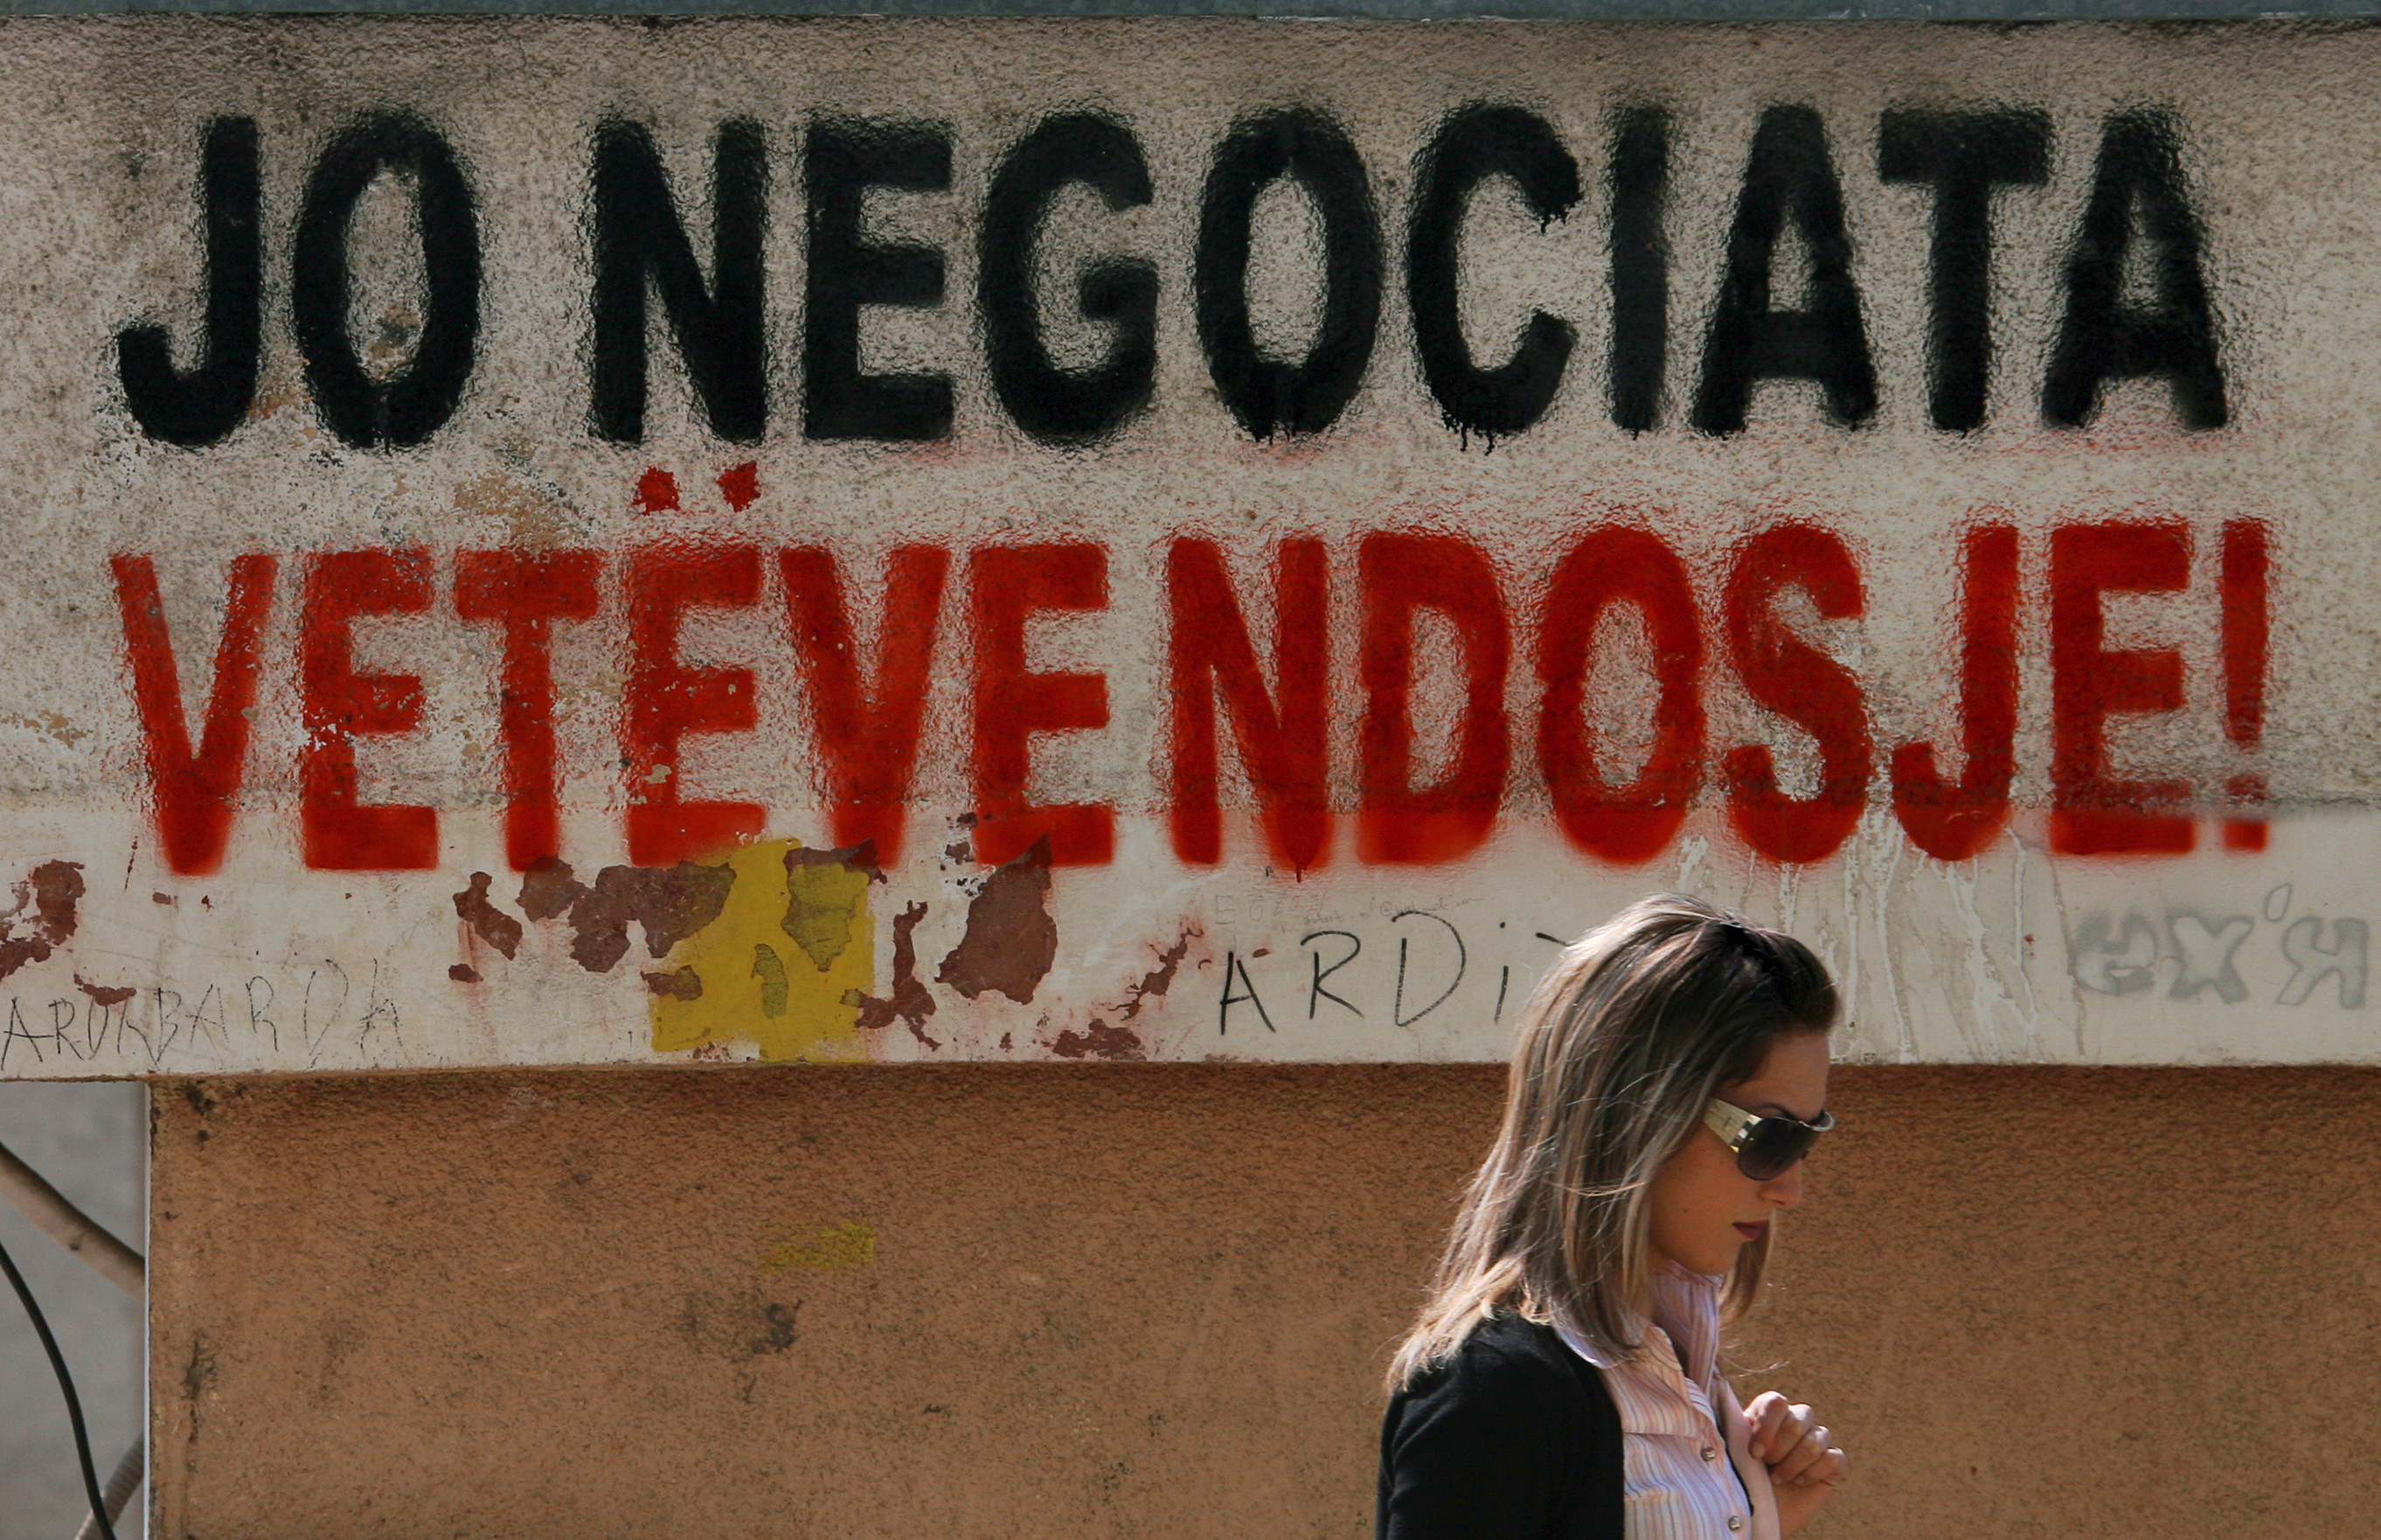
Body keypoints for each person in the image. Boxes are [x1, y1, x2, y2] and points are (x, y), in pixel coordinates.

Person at [1377, 895, 1849, 1540]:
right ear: (1637, 1116)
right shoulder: (1496, 1393)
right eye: (1768, 1138)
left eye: (1807, 1137)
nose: (1791, 1189)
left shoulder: (1676, 1364)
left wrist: (1759, 1513)